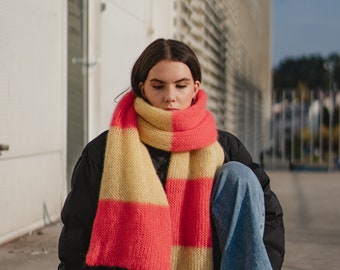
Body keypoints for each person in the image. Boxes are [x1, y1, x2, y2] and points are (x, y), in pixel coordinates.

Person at [58, 38, 284, 270]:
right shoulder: (106, 150)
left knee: (239, 176)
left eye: (180, 85)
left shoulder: (225, 148)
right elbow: (78, 228)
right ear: (142, 87)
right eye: (158, 86)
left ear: (195, 88)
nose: (170, 96)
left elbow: (268, 216)